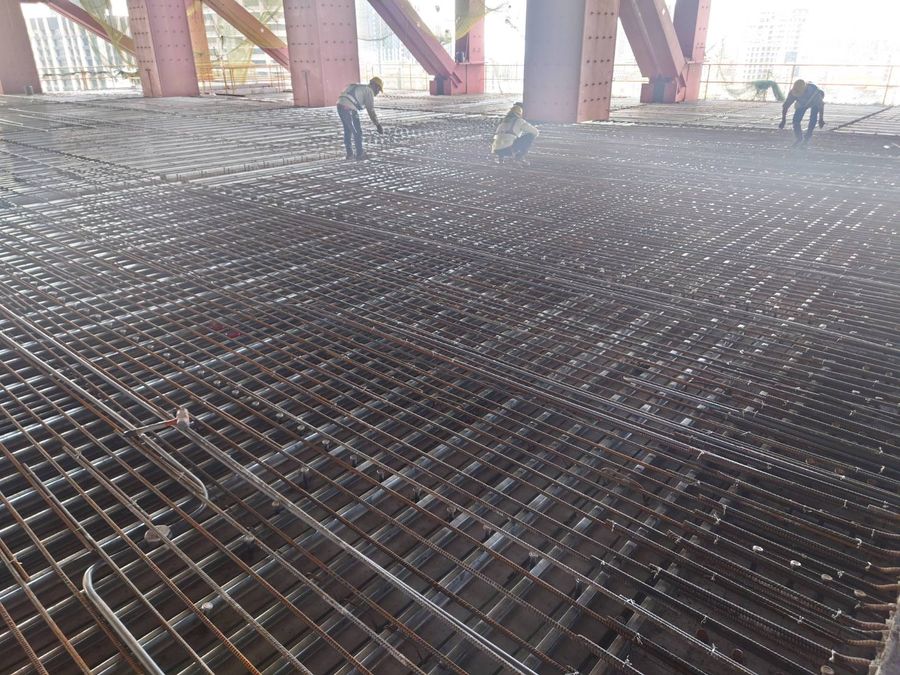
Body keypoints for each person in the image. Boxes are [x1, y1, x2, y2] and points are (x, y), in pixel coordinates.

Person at [336, 77, 384, 160]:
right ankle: (360, 154)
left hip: (340, 105)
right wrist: (377, 124)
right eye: (379, 90)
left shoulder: (360, 87)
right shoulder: (369, 91)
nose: (378, 92)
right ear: (376, 87)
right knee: (357, 131)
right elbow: (370, 110)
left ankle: (350, 154)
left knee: (348, 130)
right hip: (349, 109)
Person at [779, 79, 826, 146]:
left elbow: (820, 105)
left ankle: (807, 138)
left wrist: (821, 119)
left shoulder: (815, 93)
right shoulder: (793, 93)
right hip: (802, 103)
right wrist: (783, 120)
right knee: (796, 120)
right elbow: (786, 106)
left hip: (814, 101)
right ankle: (799, 138)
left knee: (813, 118)